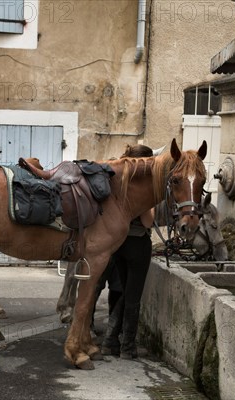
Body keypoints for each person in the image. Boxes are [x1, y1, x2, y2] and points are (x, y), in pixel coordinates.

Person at [101, 144, 154, 359]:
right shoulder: (143, 186)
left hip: (118, 243)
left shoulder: (117, 180)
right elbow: (148, 222)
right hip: (138, 243)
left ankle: (109, 341)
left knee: (123, 292)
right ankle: (127, 347)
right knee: (133, 297)